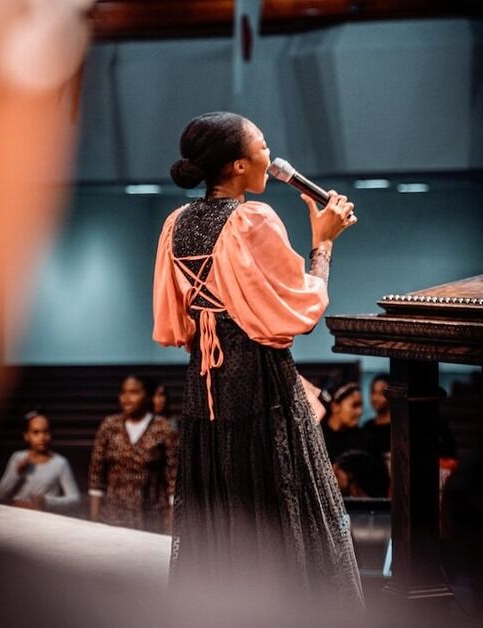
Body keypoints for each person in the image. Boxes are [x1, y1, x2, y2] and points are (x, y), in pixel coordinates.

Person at [153, 111, 363, 605]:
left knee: (224, 515)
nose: (272, 155)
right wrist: (324, 245)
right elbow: (301, 312)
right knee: (282, 514)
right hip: (261, 383)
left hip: (205, 385)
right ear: (237, 166)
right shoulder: (252, 219)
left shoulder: (175, 224)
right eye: (263, 146)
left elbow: (177, 323)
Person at [88, 374, 178, 533]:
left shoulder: (164, 428)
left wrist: (170, 526)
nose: (126, 398)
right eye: (123, 392)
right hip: (112, 517)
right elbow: (96, 475)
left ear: (149, 396)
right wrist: (94, 521)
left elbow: (174, 478)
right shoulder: (109, 426)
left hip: (152, 518)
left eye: (134, 392)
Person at [0, 411, 80, 512]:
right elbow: (1, 495)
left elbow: (75, 499)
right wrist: (17, 473)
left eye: (46, 432)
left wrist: (46, 502)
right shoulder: (18, 458)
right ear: (27, 436)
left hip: (44, 521)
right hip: (17, 519)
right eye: (36, 432)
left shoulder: (60, 463)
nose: (42, 437)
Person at [320, 382, 365, 463]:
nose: (360, 412)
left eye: (361, 405)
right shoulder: (318, 438)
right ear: (335, 407)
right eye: (354, 405)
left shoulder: (362, 440)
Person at [361, 373, 392, 474]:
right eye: (373, 392)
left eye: (381, 393)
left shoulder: (398, 428)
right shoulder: (367, 426)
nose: (375, 397)